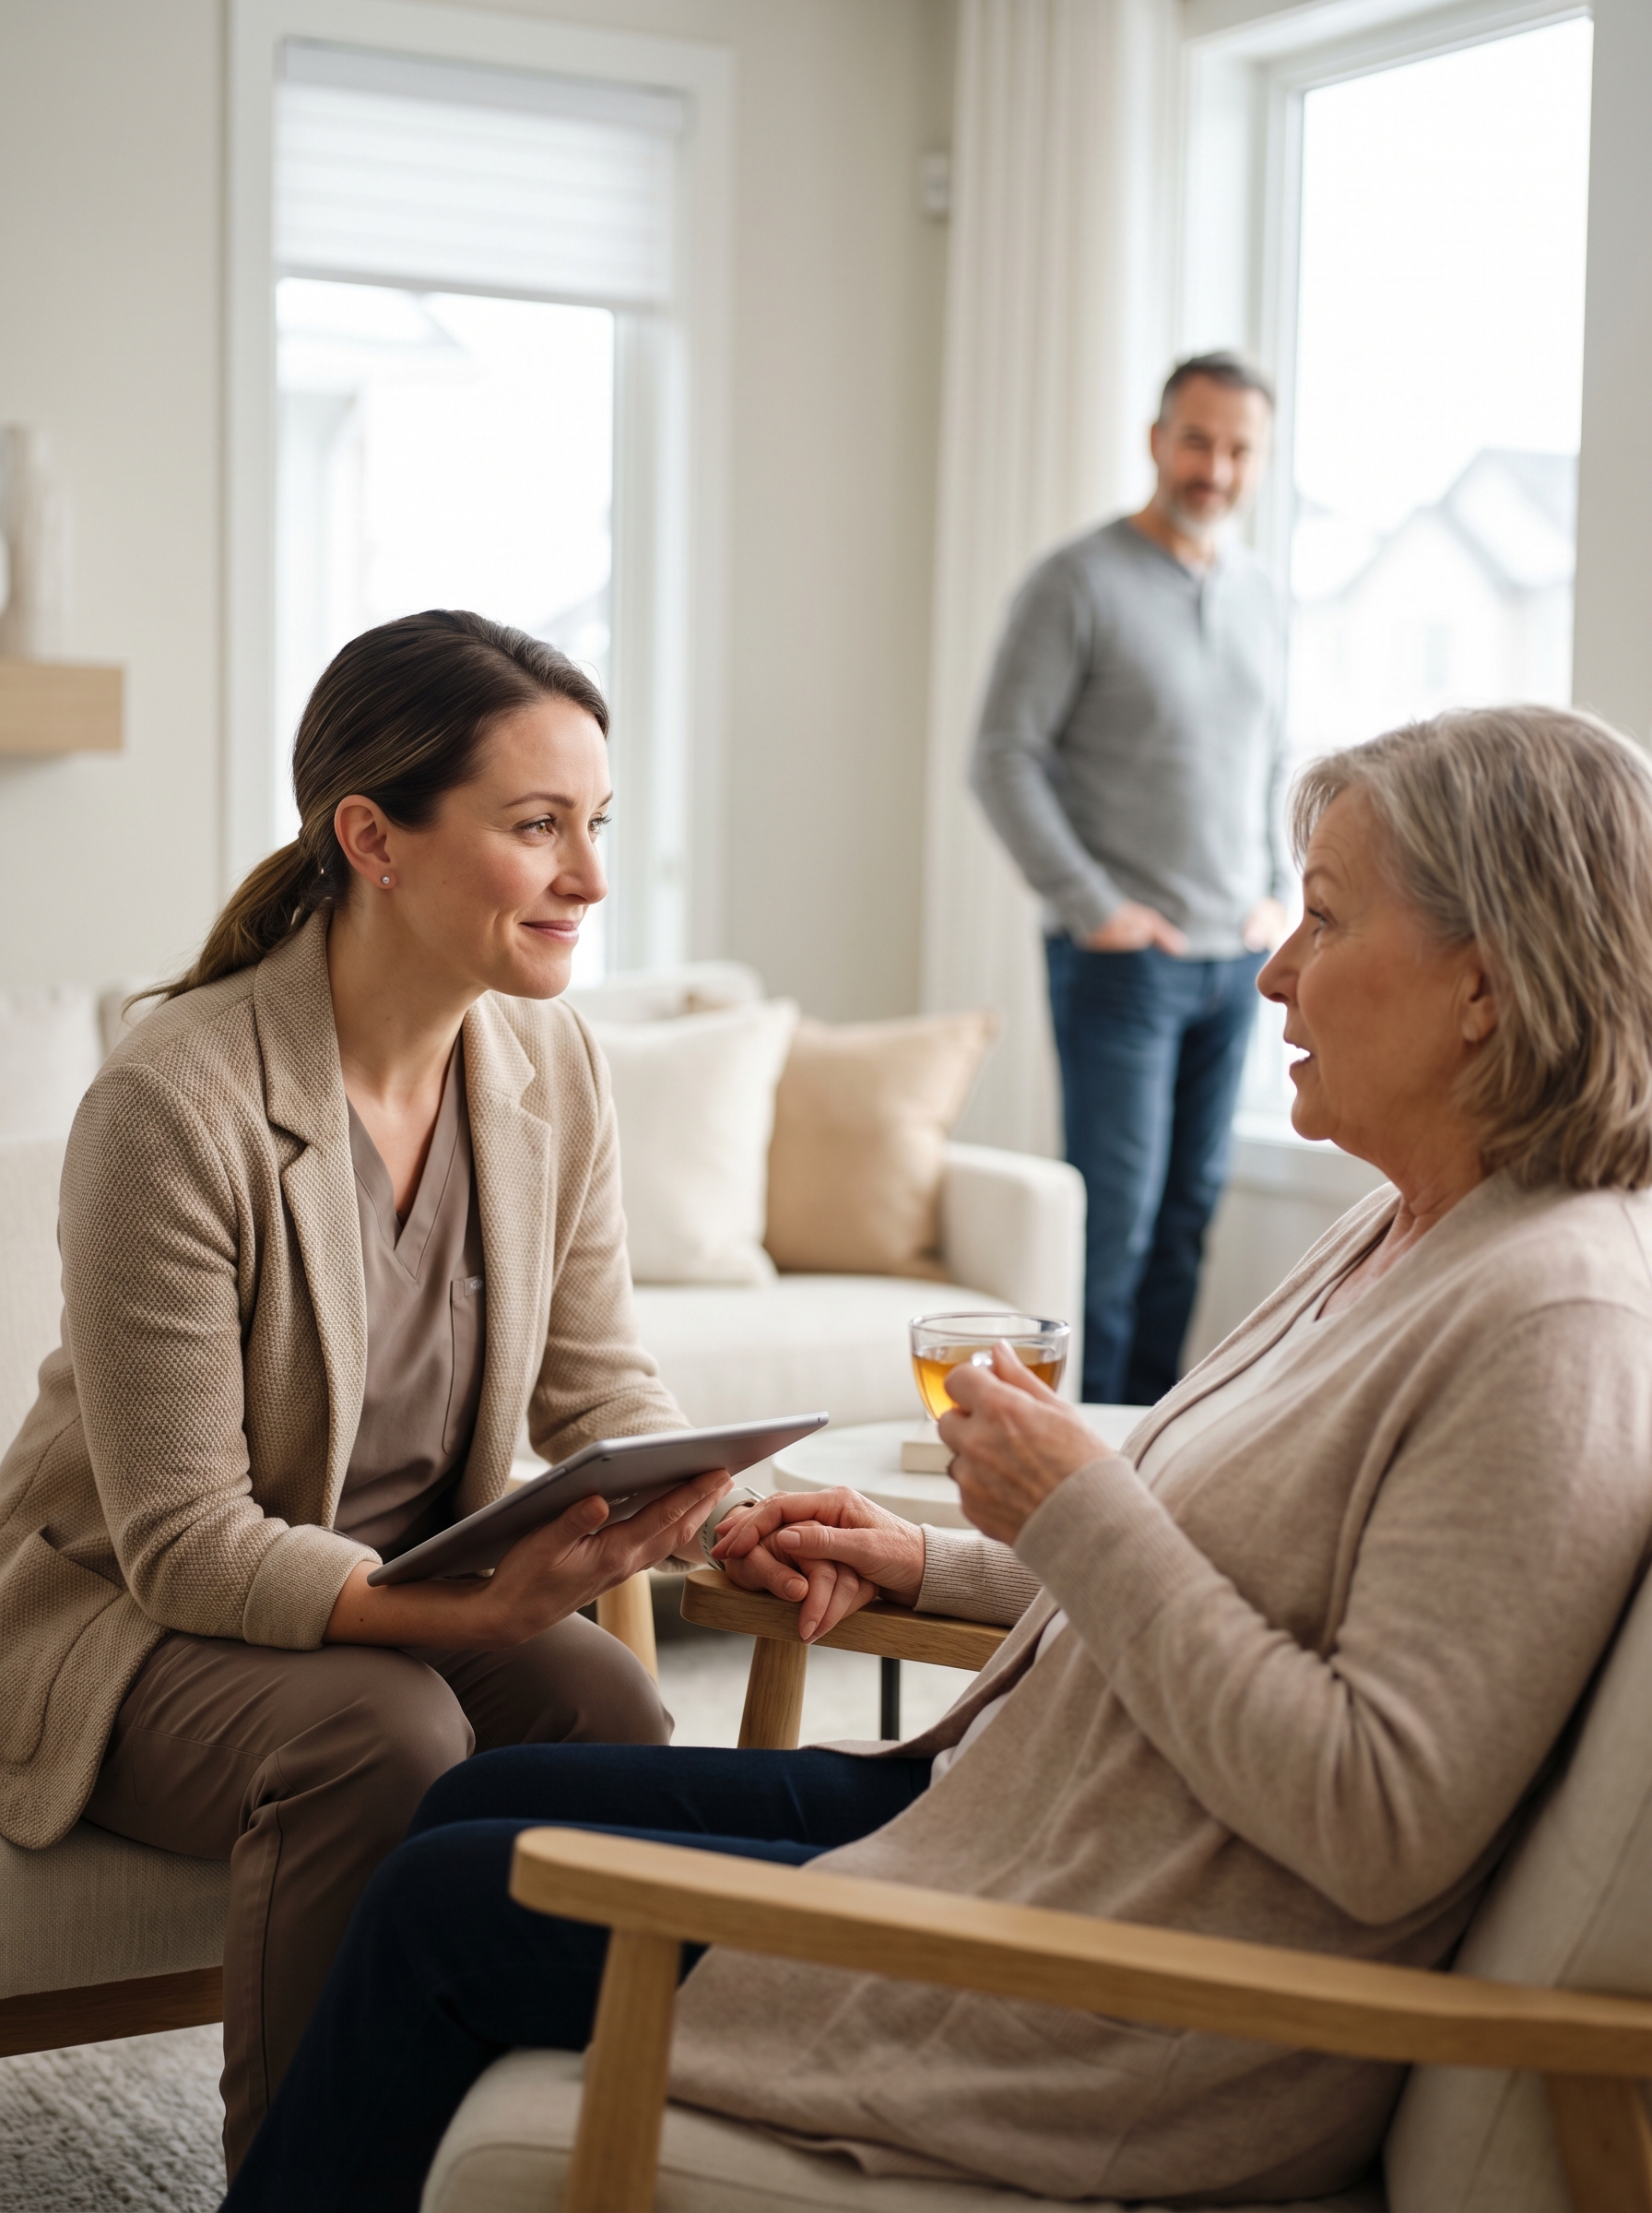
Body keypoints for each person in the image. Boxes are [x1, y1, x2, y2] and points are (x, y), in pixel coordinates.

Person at [220, 704, 1652, 2210]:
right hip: (1033, 1840)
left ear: (1484, 982)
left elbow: (1376, 1819)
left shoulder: (1549, 1323)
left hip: (1123, 1994)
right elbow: (1240, 1586)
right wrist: (929, 1559)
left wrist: (1081, 1507)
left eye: (1326, 918)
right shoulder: (1405, 1224)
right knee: (465, 1808)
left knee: (448, 1903)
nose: (1272, 972)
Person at [0, 610, 733, 2174]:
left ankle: (527, 2153)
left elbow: (600, 1384)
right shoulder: (173, 1100)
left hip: (397, 1590)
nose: (590, 880)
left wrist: (711, 1504)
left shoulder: (554, 1073)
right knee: (380, 1729)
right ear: (371, 838)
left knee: (607, 1704)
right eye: (537, 828)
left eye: (595, 826)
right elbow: (186, 1539)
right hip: (131, 1625)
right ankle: (308, 2178)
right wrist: (457, 1620)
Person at [973, 350, 1290, 1405]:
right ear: (1157, 441)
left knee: (1188, 1221)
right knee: (1114, 1227)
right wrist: (1093, 907)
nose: (1215, 467)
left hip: (1234, 958)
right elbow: (1002, 756)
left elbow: (1272, 759)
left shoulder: (1259, 595)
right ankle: (1076, 1468)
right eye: (1196, 440)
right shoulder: (1077, 582)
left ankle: (1148, 1455)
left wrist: (1276, 887)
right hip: (1123, 966)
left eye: (1239, 448)